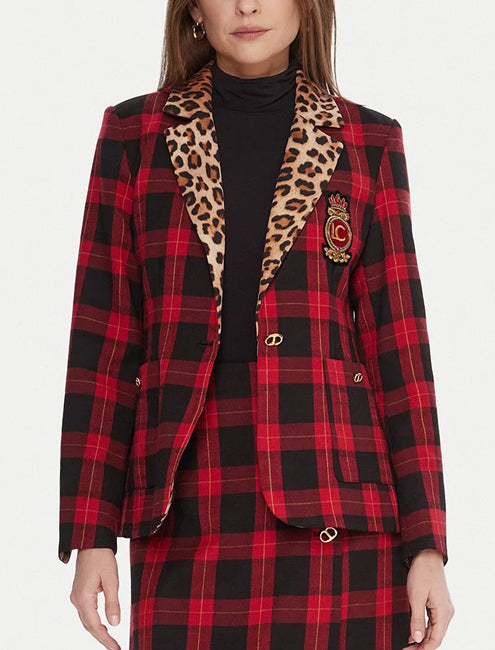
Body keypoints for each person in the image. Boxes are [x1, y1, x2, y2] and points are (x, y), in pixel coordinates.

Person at [58, 1, 455, 648]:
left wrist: (427, 544)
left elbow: (399, 349)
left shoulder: (369, 141)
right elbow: (102, 345)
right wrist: (90, 533)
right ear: (193, 8)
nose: (247, 5)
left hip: (338, 501)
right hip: (183, 497)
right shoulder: (134, 135)